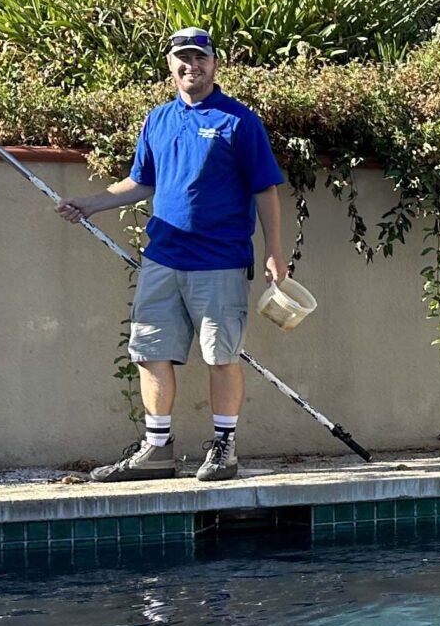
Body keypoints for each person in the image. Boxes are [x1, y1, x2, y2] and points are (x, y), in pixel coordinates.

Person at [58, 28, 288, 483]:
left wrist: (275, 251)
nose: (191, 66)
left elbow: (265, 189)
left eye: (199, 58)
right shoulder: (157, 120)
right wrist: (90, 203)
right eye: (182, 59)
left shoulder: (239, 122)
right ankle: (157, 449)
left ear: (214, 64)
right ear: (170, 66)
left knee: (221, 356)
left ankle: (224, 448)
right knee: (150, 352)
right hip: (163, 259)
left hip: (219, 260)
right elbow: (143, 182)